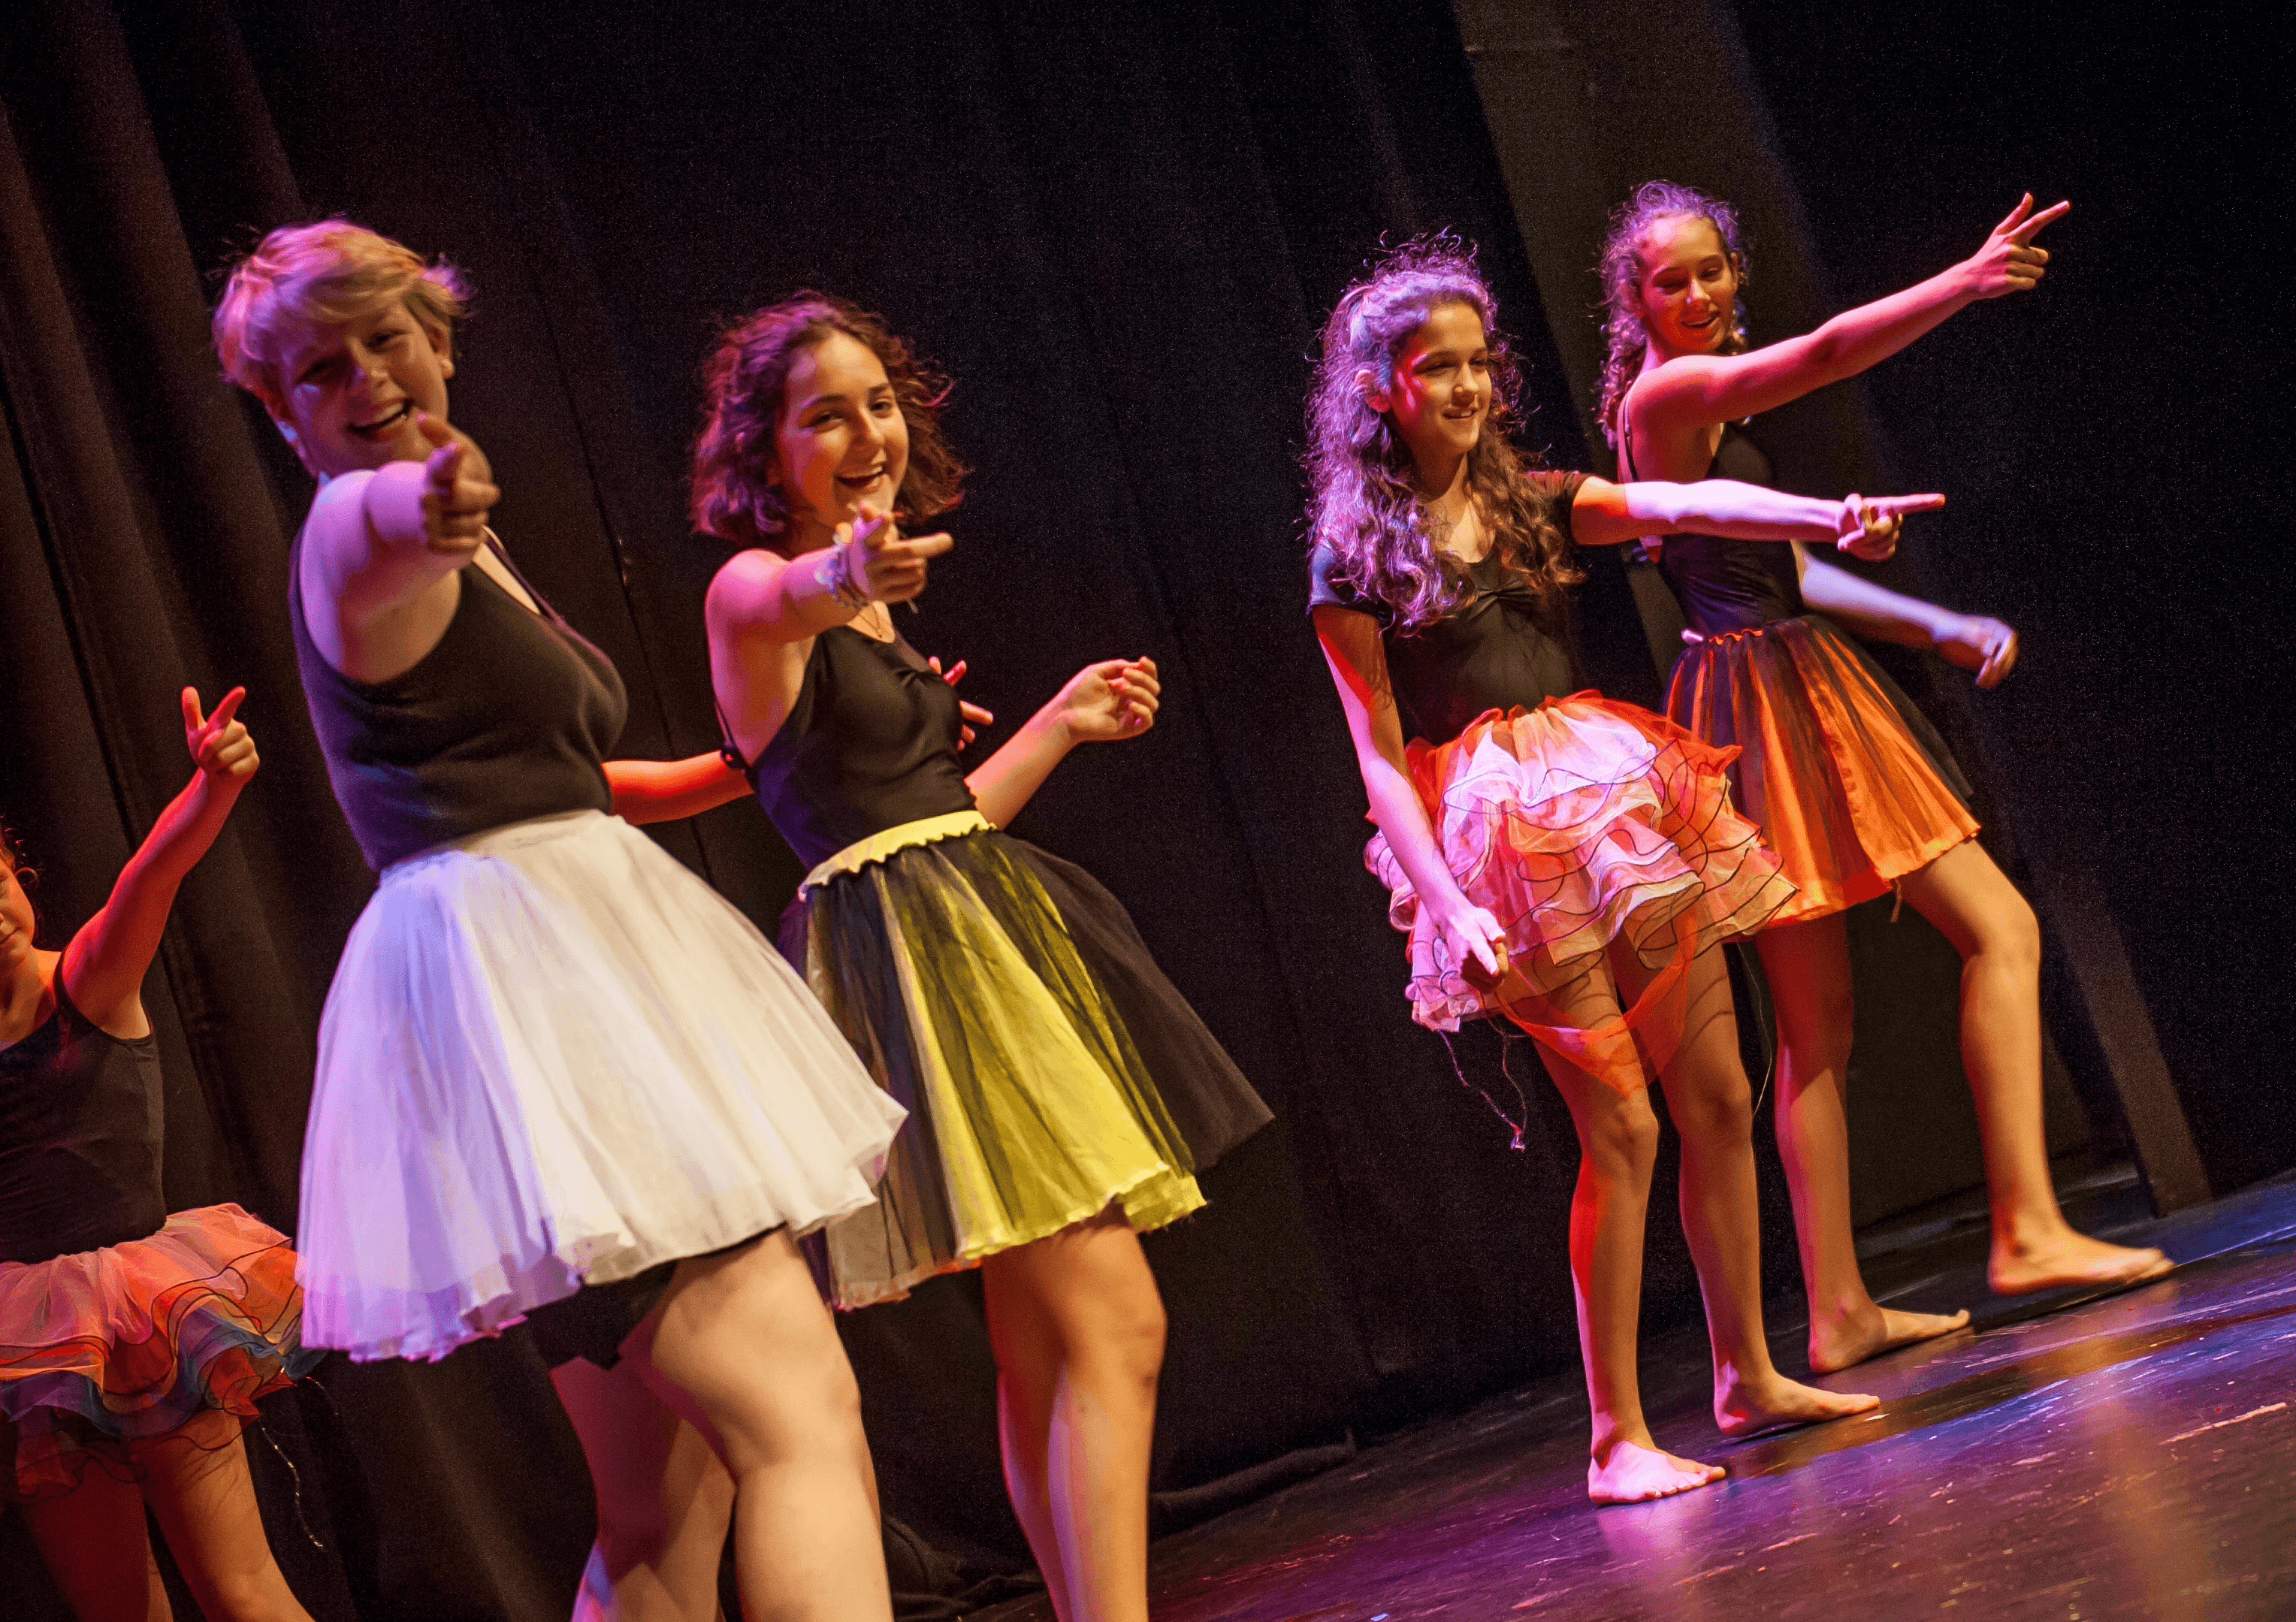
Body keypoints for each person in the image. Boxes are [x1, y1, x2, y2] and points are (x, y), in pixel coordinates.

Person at [213, 221, 909, 1621]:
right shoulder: (360, 526)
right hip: (547, 1010)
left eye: (386, 339)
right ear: (282, 413)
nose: (363, 379)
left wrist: (826, 601)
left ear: (442, 336)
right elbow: (392, 529)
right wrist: (431, 498)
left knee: (667, 1500)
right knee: (800, 1415)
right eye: (316, 370)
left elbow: (556, 772)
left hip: (553, 980)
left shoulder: (465, 544)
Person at [1304, 240, 1935, 1502]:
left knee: (1714, 1088)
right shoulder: (1356, 551)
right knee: (1625, 1121)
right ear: (1381, 387)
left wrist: (1819, 513)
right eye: (1439, 368)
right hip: (1493, 839)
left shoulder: (1536, 496)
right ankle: (1611, 1438)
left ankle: (1748, 1370)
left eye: (1481, 363)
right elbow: (1376, 753)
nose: (1470, 386)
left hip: (1612, 802)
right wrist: (1447, 897)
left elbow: (1680, 504)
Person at [691, 293, 1270, 1620]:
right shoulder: (751, 595)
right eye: (823, 413)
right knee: (1116, 1319)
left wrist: (1061, 721)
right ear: (762, 446)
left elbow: (936, 812)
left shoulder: (885, 610)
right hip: (914, 963)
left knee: (1044, 1339)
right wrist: (846, 576)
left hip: (971, 928)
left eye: (879, 403)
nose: (864, 433)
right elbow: (788, 594)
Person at [1598, 182, 2168, 1373]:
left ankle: (1847, 1306)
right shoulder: (1667, 397)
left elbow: (1794, 574)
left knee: (1837, 1020)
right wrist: (1959, 285)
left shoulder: (1700, 403)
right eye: (1672, 281)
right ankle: (2022, 1227)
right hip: (1756, 708)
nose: (1699, 295)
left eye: (1712, 272)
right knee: (1916, 974)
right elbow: (1824, 351)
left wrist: (1935, 622)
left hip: (1793, 675)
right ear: (1633, 298)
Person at [2, 687, 321, 1621]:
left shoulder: (88, 977)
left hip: (144, 1322)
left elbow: (153, 873)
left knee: (241, 1587)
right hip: (31, 1358)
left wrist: (210, 790)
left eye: (1, 876)